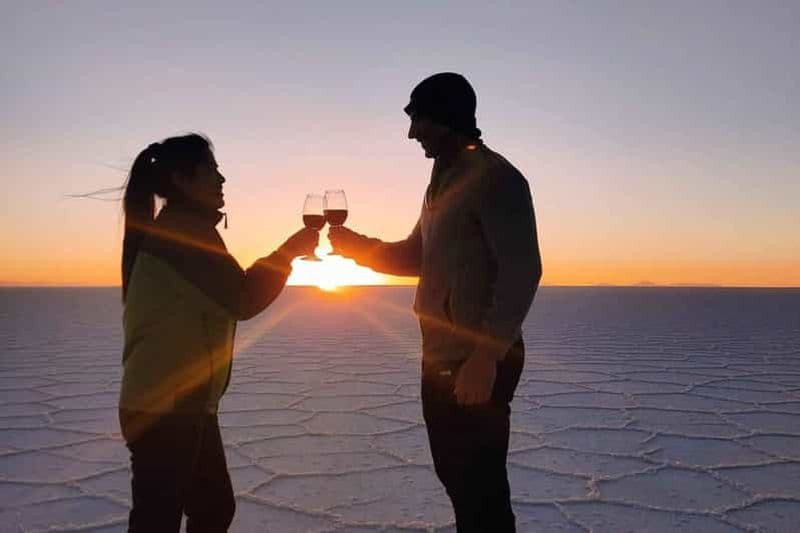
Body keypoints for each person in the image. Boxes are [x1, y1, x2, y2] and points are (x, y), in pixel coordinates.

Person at [329, 73, 542, 532]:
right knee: (458, 480)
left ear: (448, 117)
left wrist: (485, 357)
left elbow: (523, 271)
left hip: (476, 357)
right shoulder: (442, 180)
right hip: (441, 355)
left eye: (419, 120)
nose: (411, 134)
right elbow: (416, 257)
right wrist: (355, 247)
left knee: (481, 489)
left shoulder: (495, 177)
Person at [118, 133, 318, 532]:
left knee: (210, 507)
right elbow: (242, 297)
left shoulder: (180, 228)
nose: (222, 179)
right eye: (211, 169)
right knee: (164, 520)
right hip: (166, 408)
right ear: (182, 179)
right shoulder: (184, 233)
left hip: (178, 403)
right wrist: (287, 253)